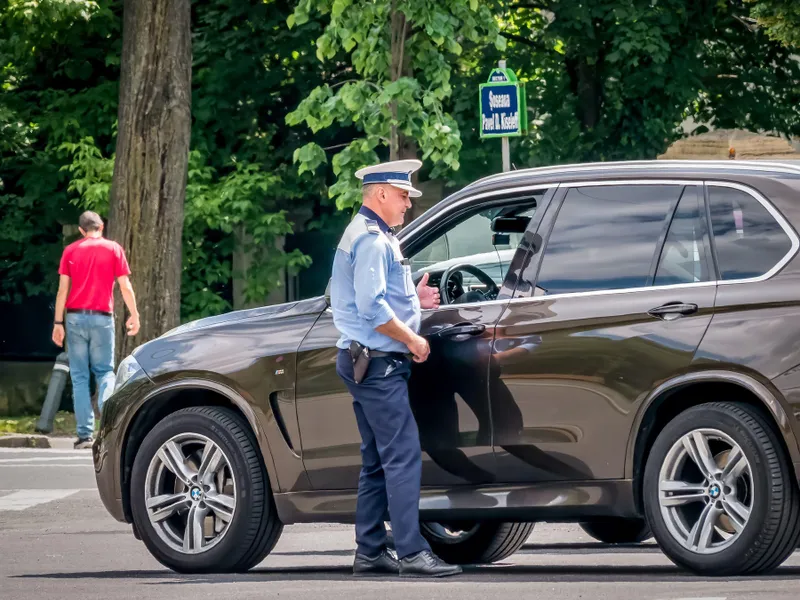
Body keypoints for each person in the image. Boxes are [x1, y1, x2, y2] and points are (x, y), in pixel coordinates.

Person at [329, 159, 461, 578]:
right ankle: (411, 551)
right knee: (402, 456)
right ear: (381, 193)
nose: (408, 204)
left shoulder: (375, 235)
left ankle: (370, 551)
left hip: (365, 361)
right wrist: (413, 339)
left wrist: (414, 303)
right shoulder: (371, 239)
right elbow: (370, 308)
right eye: (403, 196)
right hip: (379, 363)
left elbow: (378, 296)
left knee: (377, 460)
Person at [52, 211, 140, 449]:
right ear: (101, 226)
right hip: (102, 319)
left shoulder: (70, 251)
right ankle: (109, 426)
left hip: (75, 319)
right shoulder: (113, 249)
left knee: (80, 377)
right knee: (105, 373)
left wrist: (58, 323)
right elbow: (125, 285)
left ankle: (84, 436)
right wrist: (134, 313)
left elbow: (62, 291)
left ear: (81, 230)